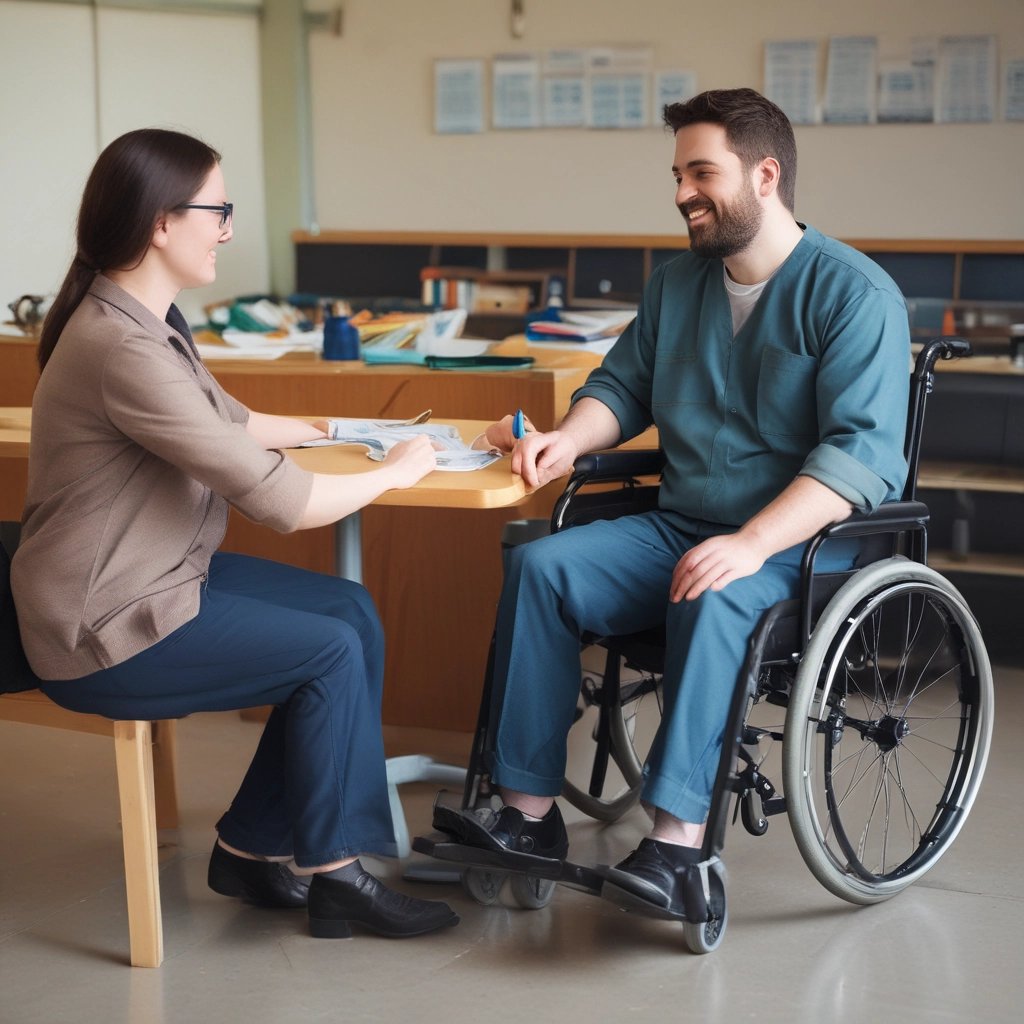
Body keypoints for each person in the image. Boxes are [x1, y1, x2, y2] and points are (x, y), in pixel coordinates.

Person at [440, 88, 911, 919]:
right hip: (683, 522)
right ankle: (528, 819)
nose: (682, 192)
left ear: (766, 176)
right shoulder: (678, 286)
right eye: (677, 173)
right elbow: (621, 386)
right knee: (542, 566)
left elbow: (858, 460)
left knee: (715, 585)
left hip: (806, 546)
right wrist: (569, 440)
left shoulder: (853, 295)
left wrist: (754, 542)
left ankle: (676, 844)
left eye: (702, 173)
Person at [10, 128, 458, 941]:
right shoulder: (120, 345)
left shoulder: (144, 318)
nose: (226, 227)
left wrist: (340, 426)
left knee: (349, 612)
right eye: (217, 209)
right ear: (159, 222)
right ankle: (336, 875)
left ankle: (251, 849)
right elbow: (283, 503)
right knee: (327, 651)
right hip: (104, 623)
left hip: (157, 578)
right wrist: (399, 472)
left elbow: (232, 422)